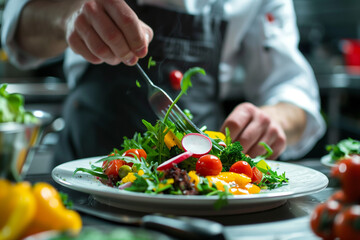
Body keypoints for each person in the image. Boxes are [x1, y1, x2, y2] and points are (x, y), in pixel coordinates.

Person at [1, 0, 325, 166]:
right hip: (85, 176)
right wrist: (66, 14)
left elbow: (294, 94)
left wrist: (273, 121)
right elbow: (15, 33)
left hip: (203, 189)